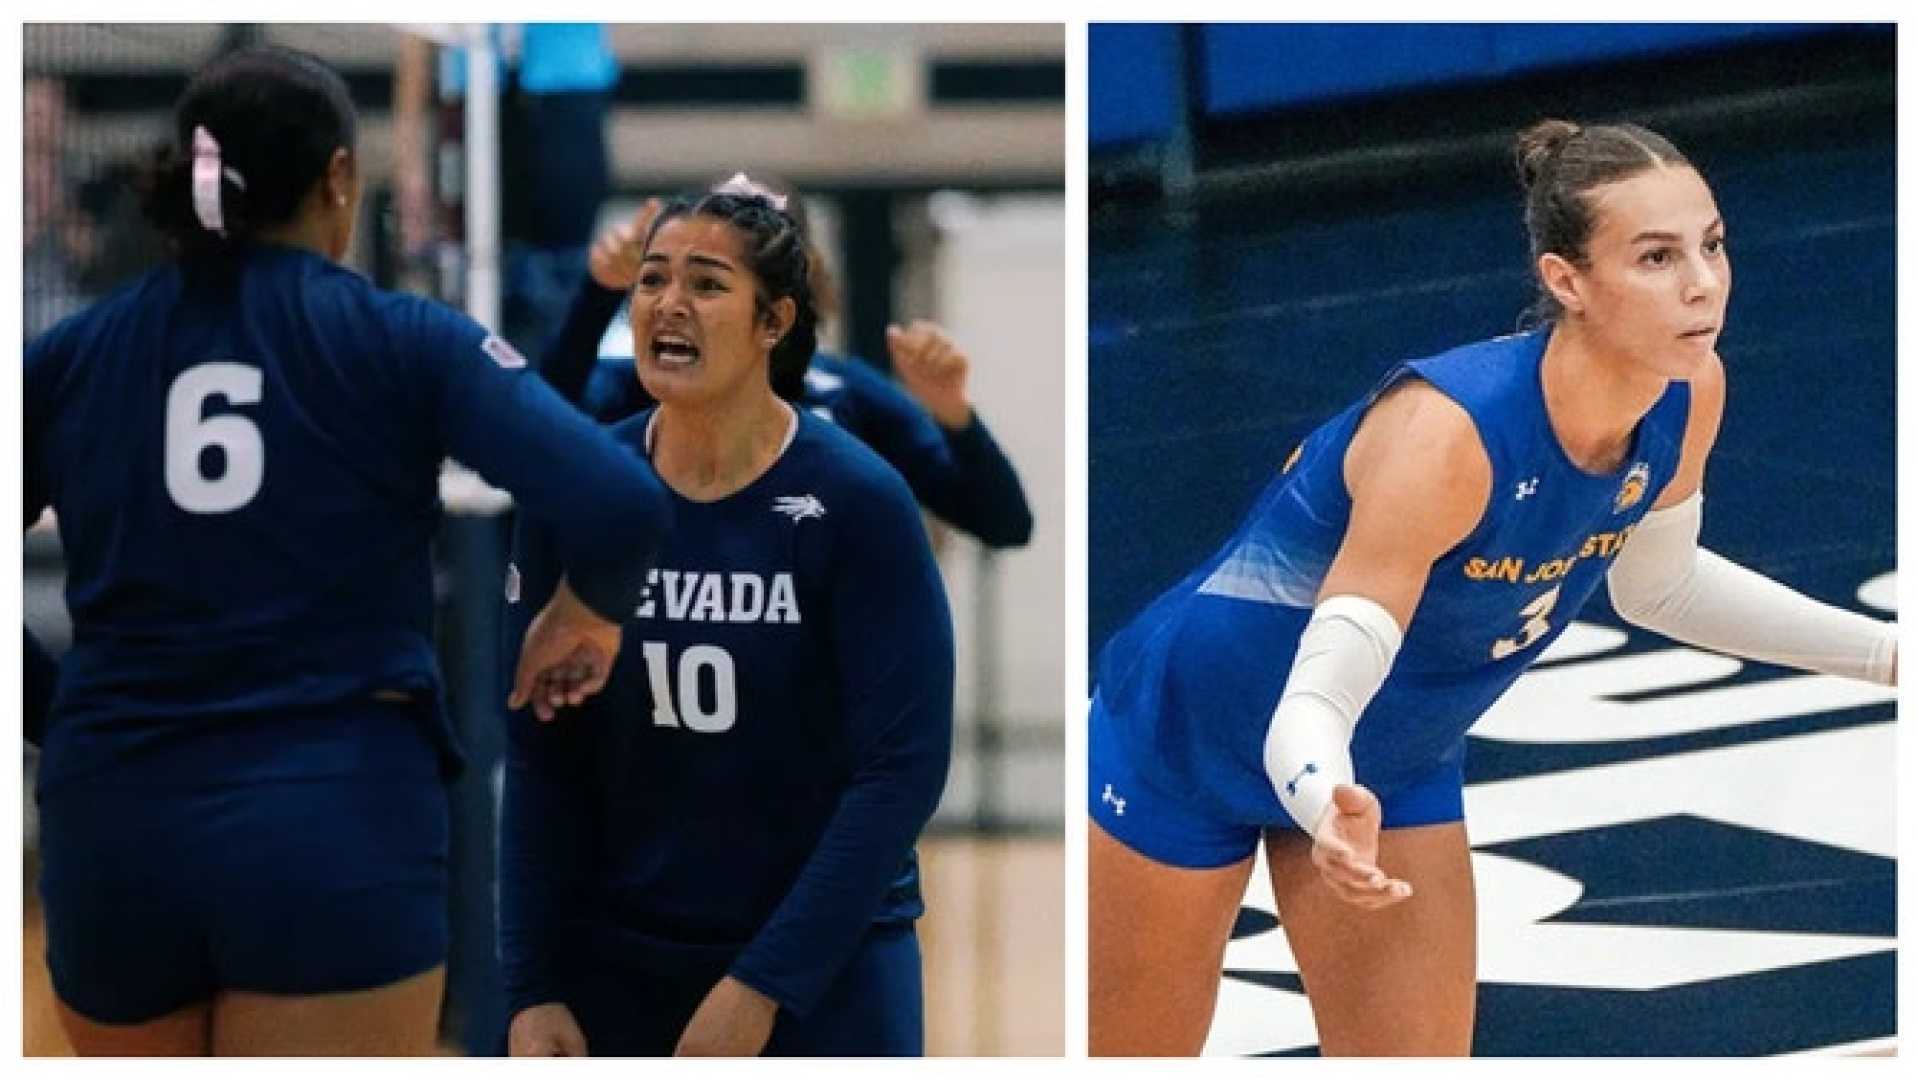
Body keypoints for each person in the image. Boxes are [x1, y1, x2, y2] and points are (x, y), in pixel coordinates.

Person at [1087, 119, 1898, 1057]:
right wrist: (1322, 802)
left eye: (1711, 245)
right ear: (1567, 281)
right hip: (1193, 736)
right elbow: (1315, 694)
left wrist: (1885, 655)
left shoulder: (1689, 388)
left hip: (1388, 760)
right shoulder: (1447, 436)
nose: (1702, 282)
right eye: (1655, 257)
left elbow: (1658, 586)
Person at [23, 46, 673, 1056]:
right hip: (332, 823)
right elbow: (623, 503)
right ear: (338, 180)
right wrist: (583, 614)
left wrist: (54, 709)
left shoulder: (70, 354)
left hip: (116, 818)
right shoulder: (400, 339)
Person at [498, 188, 954, 1056]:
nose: (668, 304)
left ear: (773, 321)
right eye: (652, 281)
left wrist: (763, 987)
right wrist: (531, 985)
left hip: (826, 961)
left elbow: (901, 771)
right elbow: (540, 756)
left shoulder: (859, 501)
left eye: (706, 285)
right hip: (620, 952)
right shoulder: (581, 494)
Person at [543, 180, 1034, 549]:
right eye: (663, 277)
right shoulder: (644, 387)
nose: (679, 303)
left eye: (711, 282)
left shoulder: (848, 395)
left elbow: (1004, 523)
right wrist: (598, 293)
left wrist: (956, 416)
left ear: (785, 296)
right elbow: (544, 425)